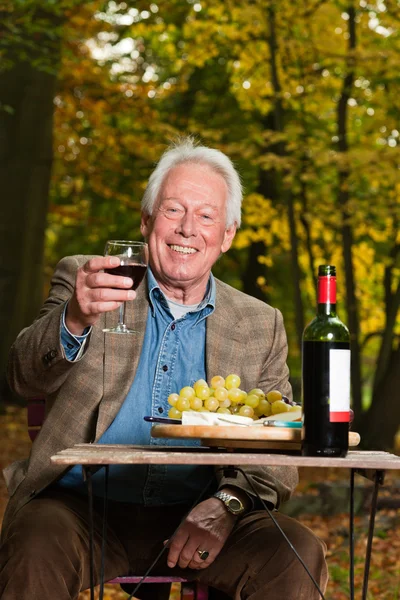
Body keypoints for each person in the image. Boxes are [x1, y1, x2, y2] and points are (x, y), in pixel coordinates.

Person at [0, 138, 328, 599]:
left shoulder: (258, 323)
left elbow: (279, 453)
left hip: (200, 514)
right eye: (173, 210)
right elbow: (21, 376)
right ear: (147, 220)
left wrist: (228, 503)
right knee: (34, 544)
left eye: (206, 216)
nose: (188, 229)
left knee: (295, 551)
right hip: (81, 509)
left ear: (227, 234)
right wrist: (73, 317)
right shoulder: (90, 281)